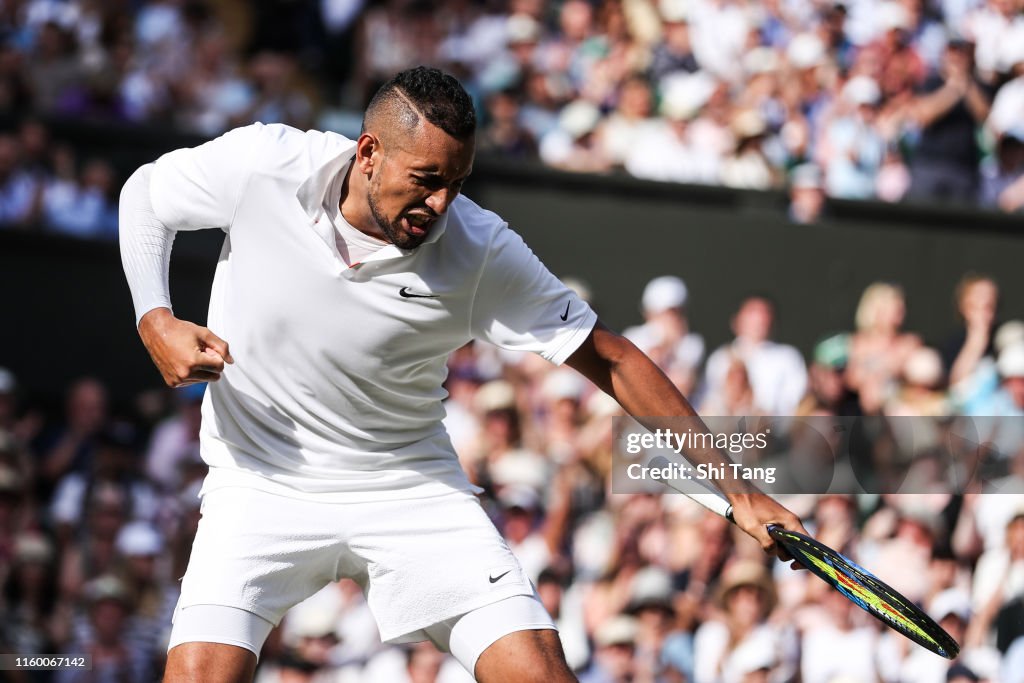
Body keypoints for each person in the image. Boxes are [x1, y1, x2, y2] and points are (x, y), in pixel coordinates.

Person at [119, 66, 804, 683]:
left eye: (457, 183)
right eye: (427, 179)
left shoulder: (480, 249)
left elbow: (614, 359)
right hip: (259, 482)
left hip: (410, 488)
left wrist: (740, 493)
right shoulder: (264, 163)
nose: (442, 204)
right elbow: (146, 194)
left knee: (538, 670)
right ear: (367, 153)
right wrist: (155, 317)